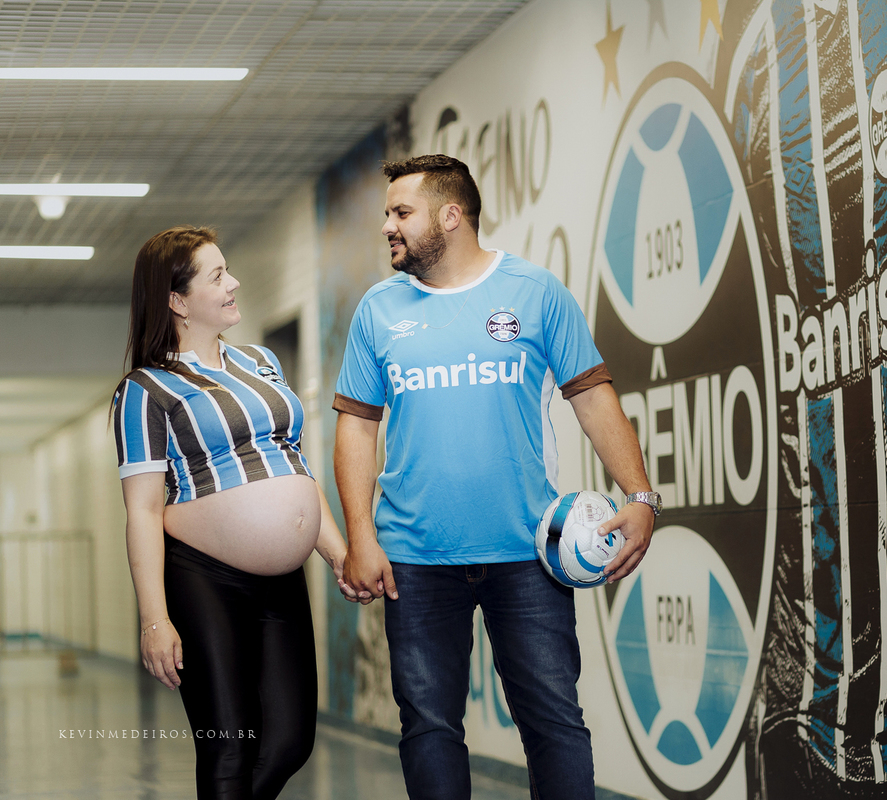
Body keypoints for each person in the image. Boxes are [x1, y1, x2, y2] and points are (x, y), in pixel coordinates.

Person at [333, 153, 660, 800]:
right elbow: (357, 429)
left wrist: (642, 496)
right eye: (388, 213)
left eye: (402, 212)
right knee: (428, 727)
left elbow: (593, 399)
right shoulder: (379, 310)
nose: (388, 227)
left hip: (529, 554)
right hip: (415, 561)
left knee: (554, 723)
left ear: (451, 216)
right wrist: (360, 535)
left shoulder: (535, 294)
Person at [112, 225, 355, 799]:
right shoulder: (145, 390)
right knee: (229, 746)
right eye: (218, 275)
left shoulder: (262, 362)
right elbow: (143, 511)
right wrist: (154, 618)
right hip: (203, 580)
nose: (234, 283)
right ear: (177, 301)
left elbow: (293, 467)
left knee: (290, 742)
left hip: (282, 582)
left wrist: (341, 555)